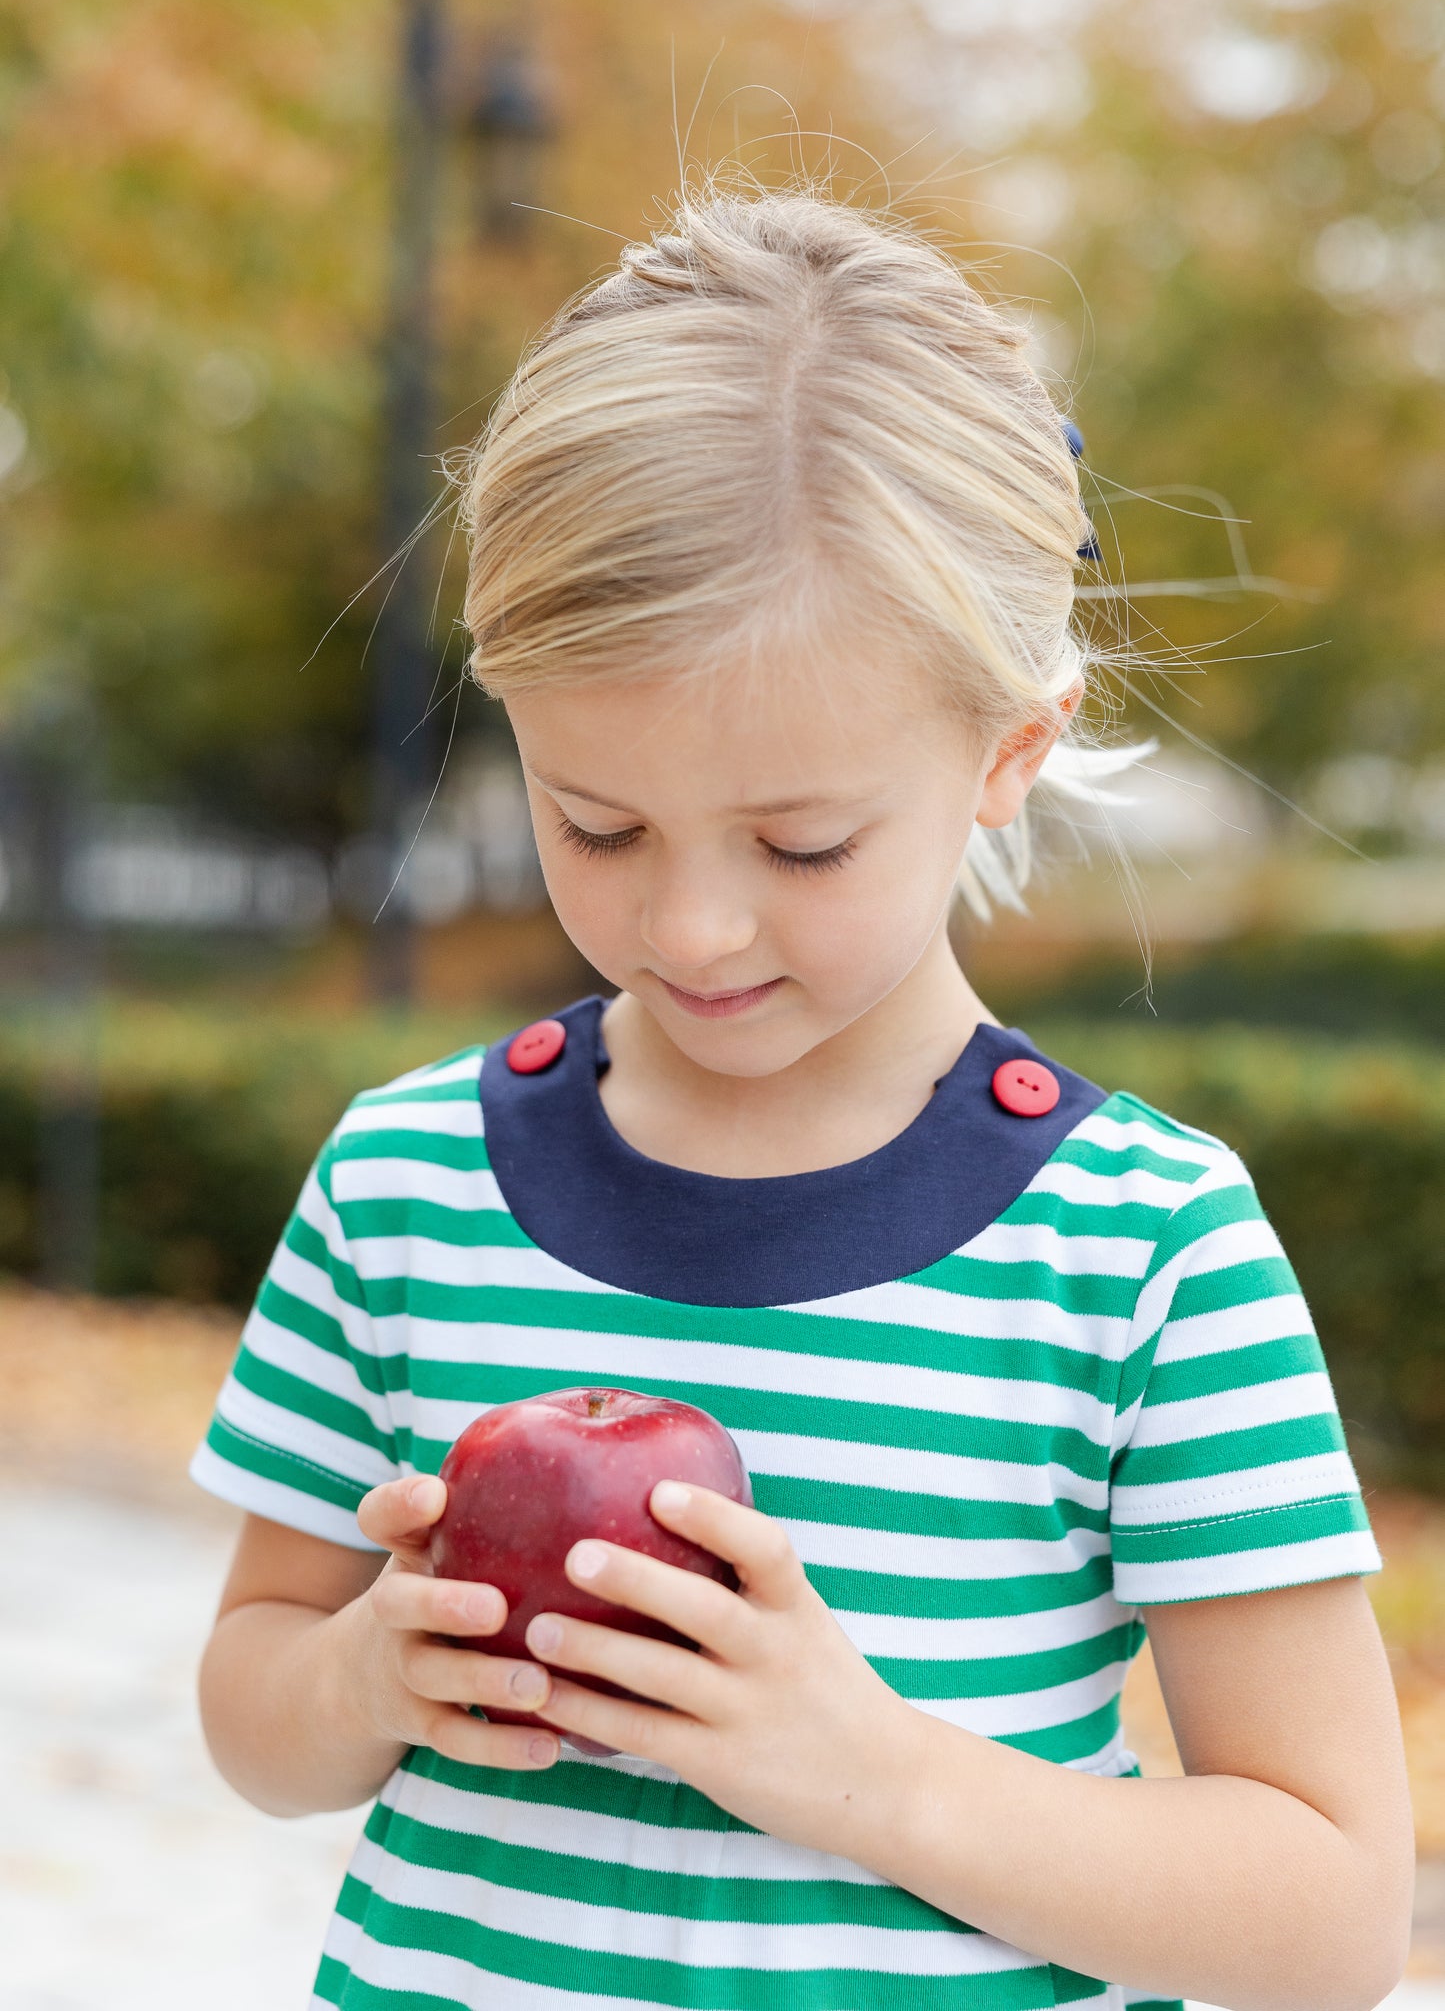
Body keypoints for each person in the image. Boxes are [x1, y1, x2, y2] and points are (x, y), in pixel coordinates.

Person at [193, 182, 1414, 2011]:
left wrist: (871, 1772)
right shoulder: (405, 1181)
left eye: (803, 839)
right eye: (593, 822)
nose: (686, 923)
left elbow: (1322, 1921)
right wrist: (372, 1671)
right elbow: (254, 1711)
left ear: (1005, 752)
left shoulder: (1140, 1250)